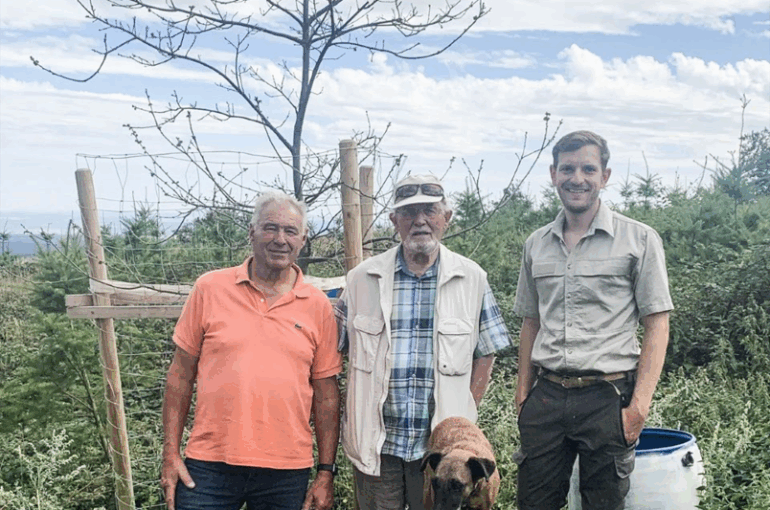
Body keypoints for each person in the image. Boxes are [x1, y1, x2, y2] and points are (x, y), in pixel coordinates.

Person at [513, 131, 674, 510]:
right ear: (554, 174)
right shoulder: (536, 244)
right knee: (533, 504)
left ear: (605, 175)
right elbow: (531, 322)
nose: (577, 178)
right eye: (567, 168)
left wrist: (639, 407)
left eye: (589, 168)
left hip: (608, 398)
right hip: (547, 397)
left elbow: (657, 323)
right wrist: (523, 395)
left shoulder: (639, 239)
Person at [335, 174, 512, 510]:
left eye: (430, 211)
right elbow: (334, 352)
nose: (419, 221)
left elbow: (486, 354)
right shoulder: (361, 279)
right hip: (378, 448)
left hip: (443, 456)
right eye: (408, 212)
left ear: (446, 218)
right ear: (393, 222)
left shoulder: (472, 278)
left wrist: (464, 411)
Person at [160, 193, 342, 510]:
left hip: (287, 469)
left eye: (290, 231)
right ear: (252, 232)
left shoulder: (317, 306)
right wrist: (170, 453)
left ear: (303, 239)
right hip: (208, 464)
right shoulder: (210, 288)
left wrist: (326, 473)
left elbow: (326, 395)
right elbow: (179, 375)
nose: (280, 239)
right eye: (270, 228)